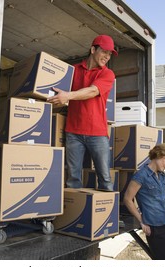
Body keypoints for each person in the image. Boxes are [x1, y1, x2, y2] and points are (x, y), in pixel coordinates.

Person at [47, 35, 117, 191]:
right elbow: (56, 86)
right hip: (73, 132)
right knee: (73, 179)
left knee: (105, 179)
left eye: (110, 54)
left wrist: (68, 95)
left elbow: (92, 91)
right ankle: (75, 214)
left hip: (98, 133)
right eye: (104, 52)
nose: (107, 57)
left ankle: (106, 214)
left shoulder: (107, 74)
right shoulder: (73, 71)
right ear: (93, 49)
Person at [123, 143, 165, 260]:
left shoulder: (162, 175)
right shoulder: (141, 175)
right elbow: (127, 199)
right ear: (159, 155)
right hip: (156, 227)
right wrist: (141, 220)